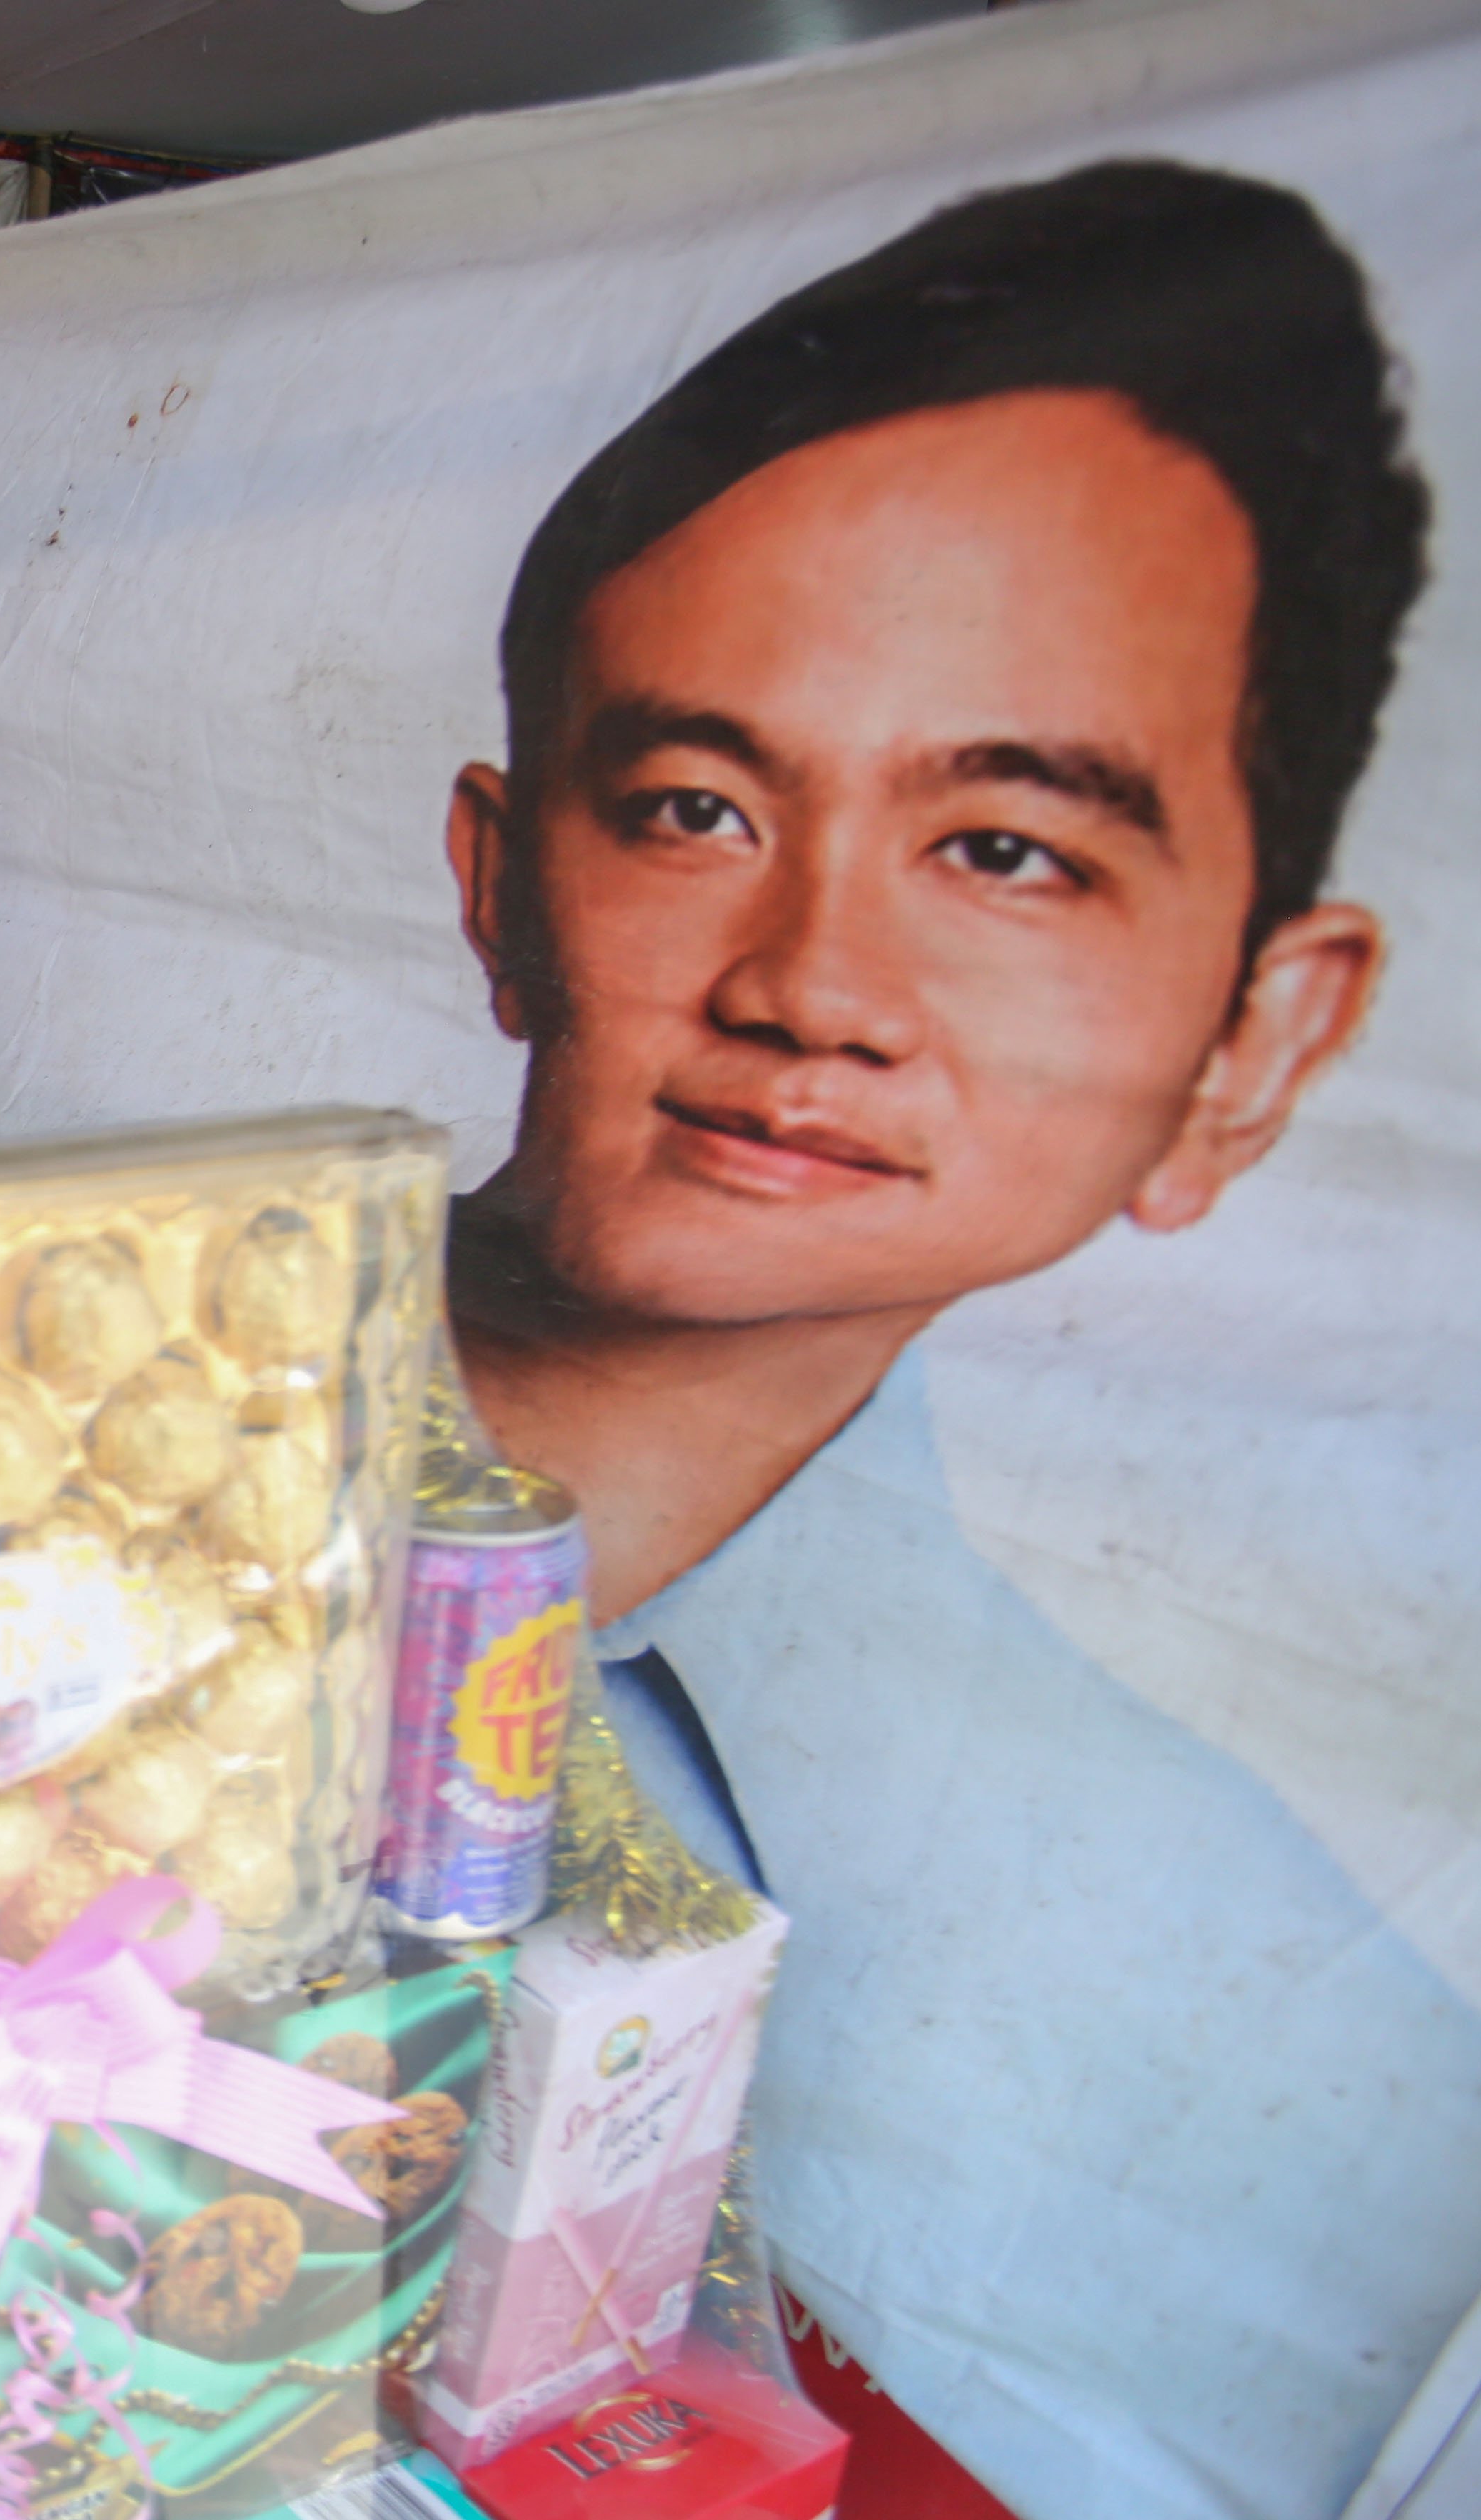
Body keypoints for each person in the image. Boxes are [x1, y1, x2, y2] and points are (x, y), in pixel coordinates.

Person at [438, 159, 1481, 2517]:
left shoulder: (1272, 2026)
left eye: (1006, 848)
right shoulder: (65, 1378)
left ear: (1251, 1047)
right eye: (694, 803)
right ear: (499, 883)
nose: (813, 982)